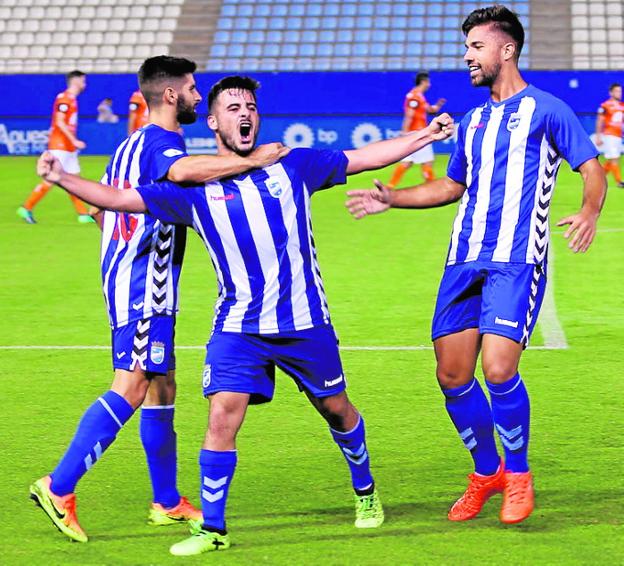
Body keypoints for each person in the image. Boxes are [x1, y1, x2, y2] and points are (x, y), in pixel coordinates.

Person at [36, 75, 454, 555]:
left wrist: (426, 135)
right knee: (221, 417)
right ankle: (212, 529)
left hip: (304, 322)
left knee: (337, 410)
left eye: (250, 105)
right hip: (238, 327)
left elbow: (364, 157)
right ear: (213, 122)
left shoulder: (293, 165)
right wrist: (62, 178)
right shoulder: (193, 191)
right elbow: (119, 200)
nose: (245, 113)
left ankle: (365, 490)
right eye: (233, 107)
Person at [346, 5, 606, 525]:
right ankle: (485, 473)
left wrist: (589, 211)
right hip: (463, 260)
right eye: (466, 48)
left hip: (515, 260)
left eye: (476, 47)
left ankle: (518, 475)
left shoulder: (547, 110)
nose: (467, 56)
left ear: (506, 50)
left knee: (499, 368)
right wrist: (393, 200)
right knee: (452, 374)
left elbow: (591, 167)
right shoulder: (473, 121)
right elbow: (450, 186)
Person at [29, 57, 289, 544]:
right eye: (191, 88)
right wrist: (253, 161)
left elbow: (109, 208)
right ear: (170, 95)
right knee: (132, 385)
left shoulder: (127, 146)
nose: (196, 95)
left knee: (161, 387)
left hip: (128, 276)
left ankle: (166, 501)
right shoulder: (164, 142)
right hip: (144, 284)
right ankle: (58, 486)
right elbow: (186, 173)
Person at [17, 70, 93, 224]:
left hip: (68, 147)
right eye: (83, 80)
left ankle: (82, 213)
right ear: (75, 81)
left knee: (74, 179)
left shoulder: (72, 99)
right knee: (51, 179)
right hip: (60, 145)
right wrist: (74, 140)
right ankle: (26, 207)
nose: (85, 84)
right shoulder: (64, 98)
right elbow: (59, 122)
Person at [387, 71, 446, 188]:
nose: (429, 85)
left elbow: (429, 109)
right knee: (426, 161)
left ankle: (389, 186)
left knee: (407, 162)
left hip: (416, 132)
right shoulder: (413, 96)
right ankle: (432, 188)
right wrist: (404, 132)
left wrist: (437, 106)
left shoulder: (419, 96)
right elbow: (409, 115)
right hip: (417, 132)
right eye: (428, 82)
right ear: (423, 81)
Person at [595, 83, 624, 188]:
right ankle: (619, 182)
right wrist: (598, 136)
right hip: (609, 135)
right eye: (617, 91)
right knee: (615, 158)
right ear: (611, 93)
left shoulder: (622, 106)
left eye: (620, 91)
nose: (619, 93)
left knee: (612, 159)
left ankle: (598, 179)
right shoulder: (605, 106)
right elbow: (600, 121)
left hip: (618, 136)